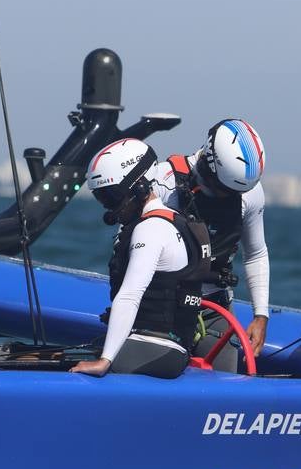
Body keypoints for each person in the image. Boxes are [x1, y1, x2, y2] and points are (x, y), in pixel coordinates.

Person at [70, 138, 212, 379]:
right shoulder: (172, 220)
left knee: (70, 364)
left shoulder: (151, 229)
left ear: (140, 188)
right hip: (165, 347)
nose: (110, 208)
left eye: (112, 198)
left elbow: (130, 295)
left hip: (158, 348)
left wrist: (105, 361)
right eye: (102, 199)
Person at [148, 118, 270, 372]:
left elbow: (256, 253)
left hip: (214, 309)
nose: (225, 198)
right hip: (161, 306)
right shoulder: (162, 183)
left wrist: (260, 315)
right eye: (222, 189)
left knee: (228, 385)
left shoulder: (250, 193)